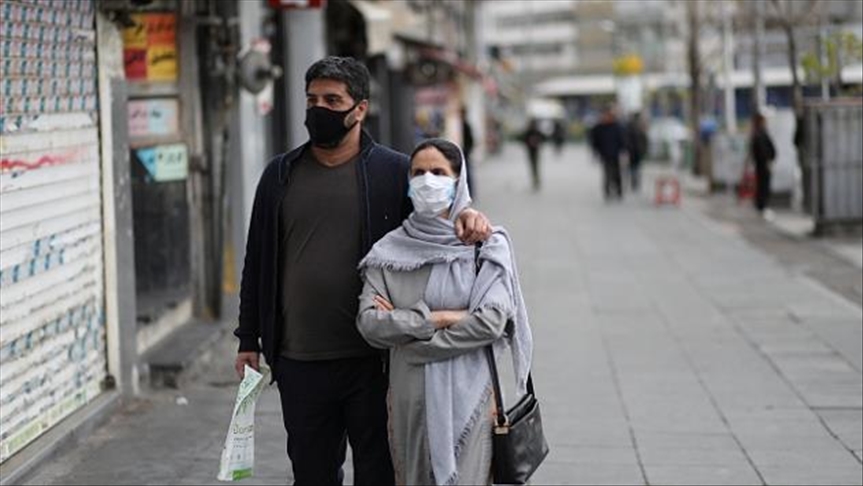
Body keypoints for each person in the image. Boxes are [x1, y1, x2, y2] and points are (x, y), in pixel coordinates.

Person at [233, 56, 492, 486]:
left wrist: (469, 213)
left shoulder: (393, 170)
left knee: (379, 474)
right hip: (299, 359)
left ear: (360, 109)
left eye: (333, 100)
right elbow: (257, 258)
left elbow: (438, 213)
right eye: (312, 100)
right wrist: (248, 338)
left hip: (376, 361)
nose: (319, 109)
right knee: (312, 475)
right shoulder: (279, 174)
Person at [356, 138, 533, 486]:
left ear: (459, 180)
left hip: (471, 398)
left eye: (438, 172)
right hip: (410, 400)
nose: (427, 180)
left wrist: (409, 337)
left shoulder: (485, 247)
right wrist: (440, 318)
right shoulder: (388, 252)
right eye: (418, 173)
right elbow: (370, 325)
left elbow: (492, 321)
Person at [589, 105, 627, 201]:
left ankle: (619, 191)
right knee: (607, 173)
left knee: (617, 173)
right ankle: (607, 192)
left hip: (616, 154)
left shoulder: (617, 126)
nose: (606, 117)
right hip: (605, 154)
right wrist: (595, 151)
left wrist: (624, 151)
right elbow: (594, 140)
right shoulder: (599, 127)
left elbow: (622, 139)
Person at [747, 112, 777, 214]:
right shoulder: (760, 134)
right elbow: (762, 150)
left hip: (762, 163)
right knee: (763, 185)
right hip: (763, 164)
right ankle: (762, 205)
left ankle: (761, 204)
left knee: (762, 184)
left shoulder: (759, 133)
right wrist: (767, 159)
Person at [625, 112, 648, 191]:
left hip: (635, 152)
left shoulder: (635, 127)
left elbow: (644, 140)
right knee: (634, 168)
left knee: (634, 168)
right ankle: (634, 183)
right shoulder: (635, 127)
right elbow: (644, 140)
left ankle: (634, 183)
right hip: (634, 152)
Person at [521, 119, 545, 191]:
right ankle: (536, 179)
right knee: (535, 166)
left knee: (533, 166)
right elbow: (543, 138)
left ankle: (535, 179)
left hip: (532, 151)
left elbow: (524, 140)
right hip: (534, 151)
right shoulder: (536, 131)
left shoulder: (529, 131)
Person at [460, 106, 476, 198]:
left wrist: (467, 150)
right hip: (464, 152)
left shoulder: (465, 125)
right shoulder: (461, 125)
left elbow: (471, 140)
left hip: (465, 152)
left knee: (467, 173)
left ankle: (470, 193)